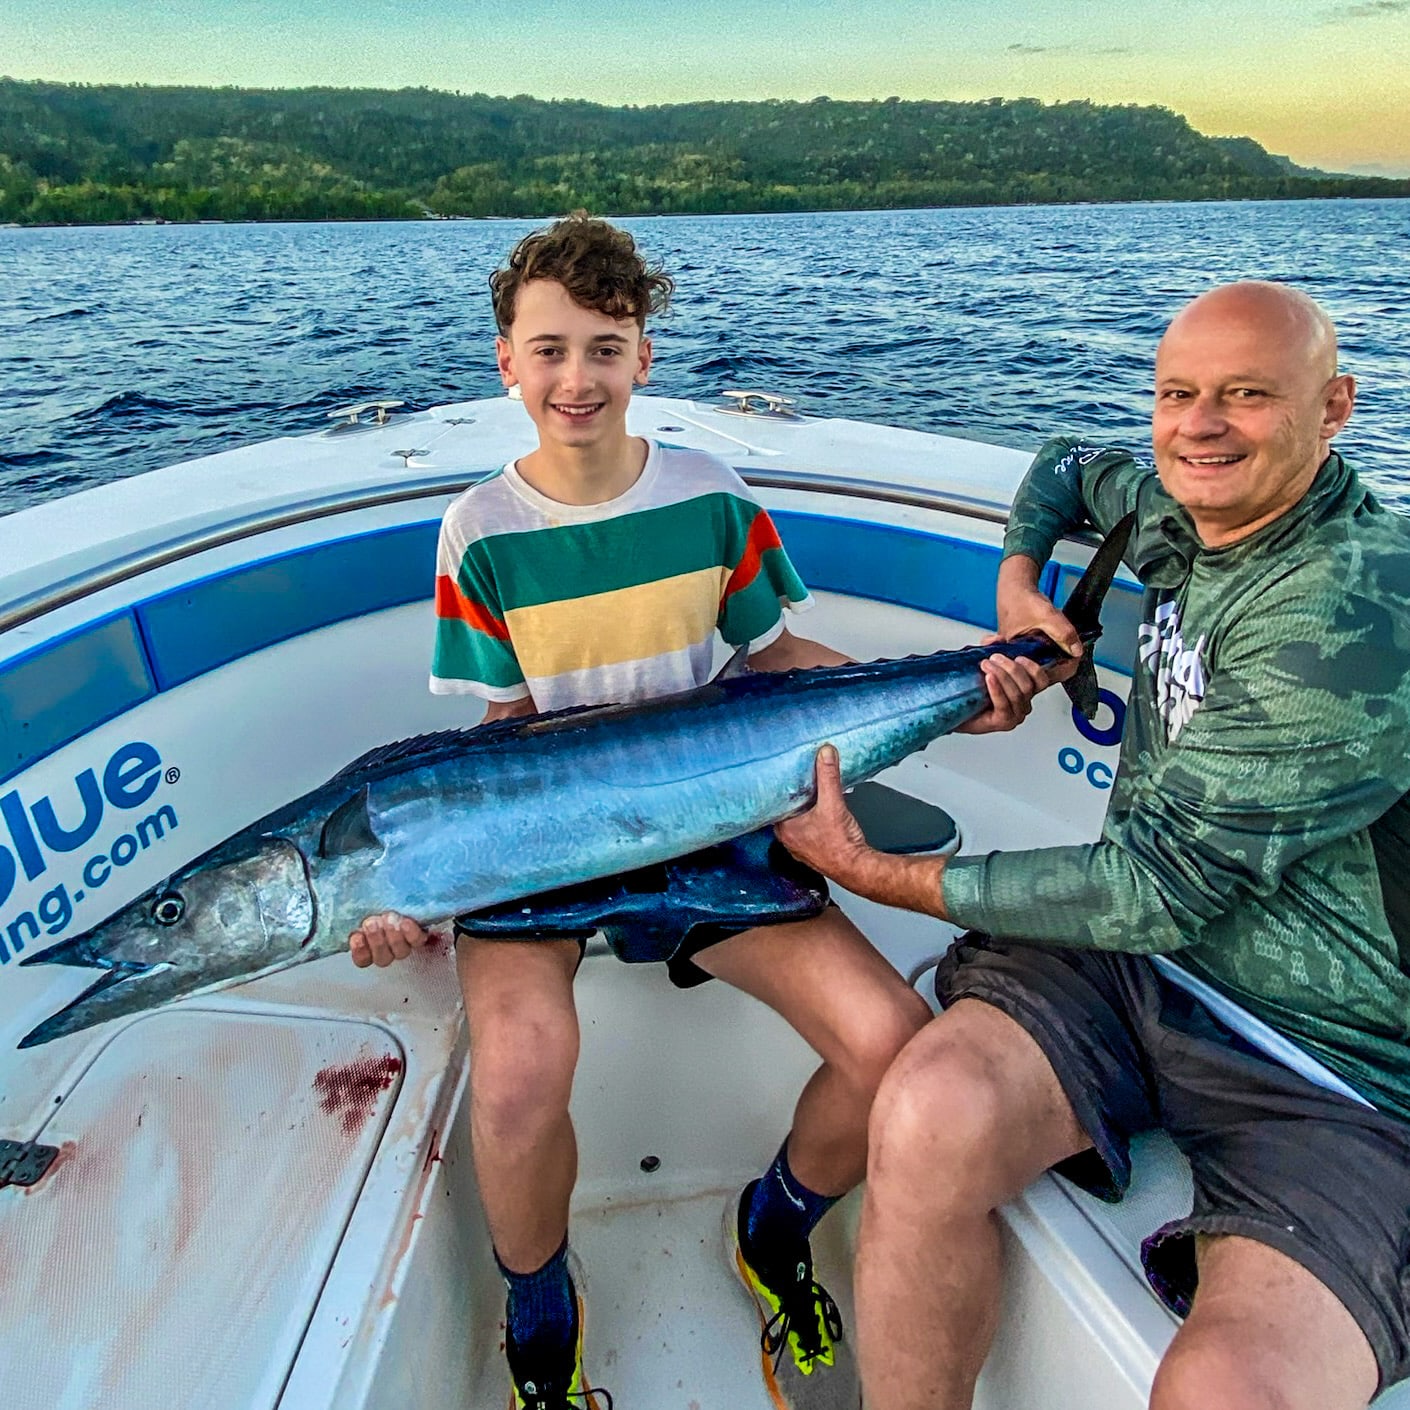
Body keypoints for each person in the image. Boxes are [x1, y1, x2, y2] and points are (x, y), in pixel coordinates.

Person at [345, 213, 1041, 1410]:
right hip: (544, 849)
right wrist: (417, 893)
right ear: (506, 362)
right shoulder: (480, 531)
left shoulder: (711, 494)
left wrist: (961, 698)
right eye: (551, 350)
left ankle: (775, 1218)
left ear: (644, 361)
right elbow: (500, 734)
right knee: (518, 1082)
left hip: (716, 823)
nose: (579, 378)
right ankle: (540, 1299)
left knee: (890, 1048)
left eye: (605, 348)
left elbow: (776, 657)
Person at [776, 281, 1410, 1410]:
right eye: (1179, 395)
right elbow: (1068, 462)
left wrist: (869, 871)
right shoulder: (1192, 505)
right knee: (924, 1112)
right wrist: (1021, 584)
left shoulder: (1352, 612)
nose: (1199, 427)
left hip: (1333, 1067)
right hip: (1133, 974)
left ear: (1337, 408)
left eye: (1248, 396)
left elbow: (1155, 886)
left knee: (1228, 1390)